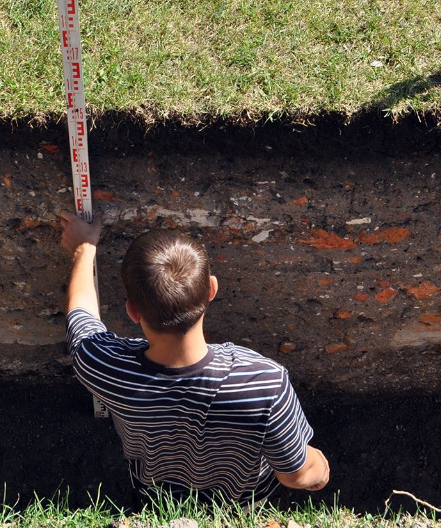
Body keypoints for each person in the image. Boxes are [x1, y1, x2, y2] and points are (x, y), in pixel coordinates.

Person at [59, 212, 330, 503]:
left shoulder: (103, 367)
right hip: (242, 503)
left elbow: (81, 315)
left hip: (158, 497)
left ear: (132, 311)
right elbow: (295, 475)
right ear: (212, 289)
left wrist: (84, 249)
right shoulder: (265, 384)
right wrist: (319, 467)